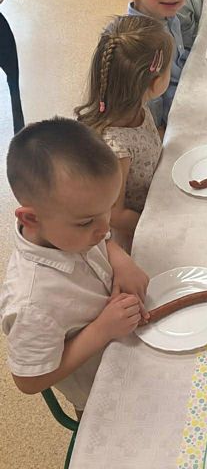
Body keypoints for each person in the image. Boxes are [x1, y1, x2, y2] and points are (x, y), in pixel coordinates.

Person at [0, 118, 149, 413]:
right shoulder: (32, 303)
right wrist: (101, 330)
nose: (104, 228)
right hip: (102, 396)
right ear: (31, 219)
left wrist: (120, 258)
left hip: (133, 352)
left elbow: (102, 235)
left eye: (107, 210)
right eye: (86, 222)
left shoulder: (73, 228)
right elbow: (28, 380)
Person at [75, 16, 173, 247]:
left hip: (157, 197)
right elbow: (116, 216)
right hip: (137, 235)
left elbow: (147, 144)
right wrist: (160, 228)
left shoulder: (137, 106)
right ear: (155, 82)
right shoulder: (116, 149)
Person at [118, 0, 187, 128]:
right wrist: (161, 129)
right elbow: (149, 101)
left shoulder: (167, 15)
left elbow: (179, 59)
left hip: (184, 90)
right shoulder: (139, 43)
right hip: (168, 119)